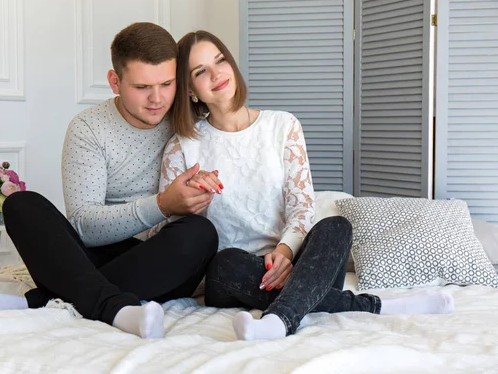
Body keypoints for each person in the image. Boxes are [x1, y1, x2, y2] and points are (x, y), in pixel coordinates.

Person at [158, 30, 454, 341]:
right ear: (190, 89)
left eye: (220, 60)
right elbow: (173, 237)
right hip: (233, 274)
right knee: (225, 262)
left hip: (300, 264)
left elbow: (301, 206)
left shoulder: (282, 126)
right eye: (200, 71)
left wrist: (285, 251)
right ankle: (384, 306)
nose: (217, 74)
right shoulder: (183, 147)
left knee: (336, 226)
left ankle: (279, 319)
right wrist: (191, 196)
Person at [0, 22, 219, 339]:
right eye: (142, 87)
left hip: (160, 260)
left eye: (167, 84)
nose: (157, 99)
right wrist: (163, 204)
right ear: (115, 81)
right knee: (20, 205)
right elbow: (85, 225)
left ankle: (37, 301)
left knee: (199, 234)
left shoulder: (190, 117)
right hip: (99, 252)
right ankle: (115, 309)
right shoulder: (89, 128)